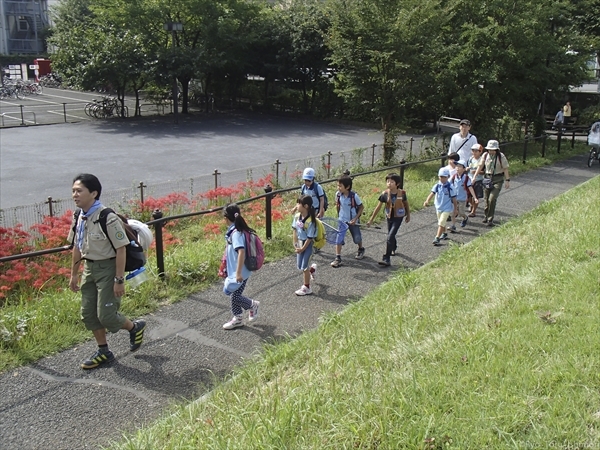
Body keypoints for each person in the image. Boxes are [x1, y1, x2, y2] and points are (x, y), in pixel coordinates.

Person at [68, 174, 146, 370]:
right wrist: (74, 274)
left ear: (93, 193)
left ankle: (134, 327)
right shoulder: (79, 216)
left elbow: (121, 248)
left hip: (108, 269)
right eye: (73, 191)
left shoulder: (106, 217)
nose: (75, 195)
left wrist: (119, 279)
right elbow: (76, 247)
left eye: (79, 191)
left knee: (107, 315)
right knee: (88, 314)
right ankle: (103, 351)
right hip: (89, 269)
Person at [221, 203, 260, 329]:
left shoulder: (236, 233)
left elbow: (241, 251)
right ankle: (237, 317)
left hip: (240, 271)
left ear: (226, 218)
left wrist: (238, 273)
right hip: (239, 270)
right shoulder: (237, 230)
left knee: (235, 295)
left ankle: (251, 305)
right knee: (233, 294)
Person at [366, 173, 410, 267]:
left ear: (397, 184)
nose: (389, 183)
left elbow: (406, 204)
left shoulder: (402, 193)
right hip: (389, 217)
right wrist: (371, 220)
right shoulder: (385, 194)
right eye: (388, 181)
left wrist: (408, 215)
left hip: (398, 217)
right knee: (391, 234)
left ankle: (386, 258)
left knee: (390, 236)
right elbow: (378, 207)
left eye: (392, 182)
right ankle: (393, 247)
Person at [472, 140, 510, 227]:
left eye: (493, 149)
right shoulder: (485, 155)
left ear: (497, 149)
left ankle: (490, 219)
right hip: (487, 178)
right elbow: (480, 166)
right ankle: (486, 216)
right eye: (489, 149)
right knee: (486, 199)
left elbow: (505, 168)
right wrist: (474, 176)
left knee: (492, 199)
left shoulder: (501, 156)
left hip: (498, 179)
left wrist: (507, 180)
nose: (491, 151)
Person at [331, 175, 365, 268]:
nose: (338, 188)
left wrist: (355, 218)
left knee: (357, 238)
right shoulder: (338, 195)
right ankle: (338, 258)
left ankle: (361, 248)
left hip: (353, 221)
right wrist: (339, 217)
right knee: (339, 239)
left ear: (348, 187)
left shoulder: (354, 196)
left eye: (340, 186)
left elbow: (361, 207)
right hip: (342, 221)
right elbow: (337, 205)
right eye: (338, 186)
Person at [423, 168, 457, 246]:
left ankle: (437, 238)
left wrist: (455, 209)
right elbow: (432, 193)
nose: (442, 179)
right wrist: (427, 201)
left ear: (448, 177)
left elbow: (454, 199)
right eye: (441, 177)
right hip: (438, 207)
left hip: (447, 208)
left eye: (444, 177)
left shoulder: (450, 187)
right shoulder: (437, 186)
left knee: (441, 222)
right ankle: (444, 233)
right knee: (442, 222)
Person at [292, 195, 318, 296]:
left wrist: (303, 248)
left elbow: (310, 238)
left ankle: (307, 287)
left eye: (299, 203)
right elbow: (294, 230)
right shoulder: (297, 216)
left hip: (307, 245)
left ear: (306, 206)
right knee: (300, 266)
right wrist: (296, 245)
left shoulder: (311, 221)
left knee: (304, 267)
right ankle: (313, 269)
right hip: (300, 243)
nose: (297, 206)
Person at [449, 160, 478, 231]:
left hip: (462, 199)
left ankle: (465, 218)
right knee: (453, 213)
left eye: (460, 166)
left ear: (464, 169)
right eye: (457, 166)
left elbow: (470, 188)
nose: (457, 168)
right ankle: (453, 226)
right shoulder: (453, 177)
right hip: (454, 199)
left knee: (461, 213)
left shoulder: (466, 178)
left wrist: (475, 198)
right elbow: (449, 186)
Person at [467, 144, 485, 217]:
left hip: (478, 180)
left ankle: (473, 211)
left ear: (480, 152)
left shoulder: (482, 160)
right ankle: (471, 205)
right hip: (469, 179)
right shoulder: (470, 159)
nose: (474, 152)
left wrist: (477, 172)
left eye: (476, 151)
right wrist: (467, 169)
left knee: (476, 196)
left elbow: (484, 172)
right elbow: (468, 167)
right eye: (473, 151)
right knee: (468, 196)